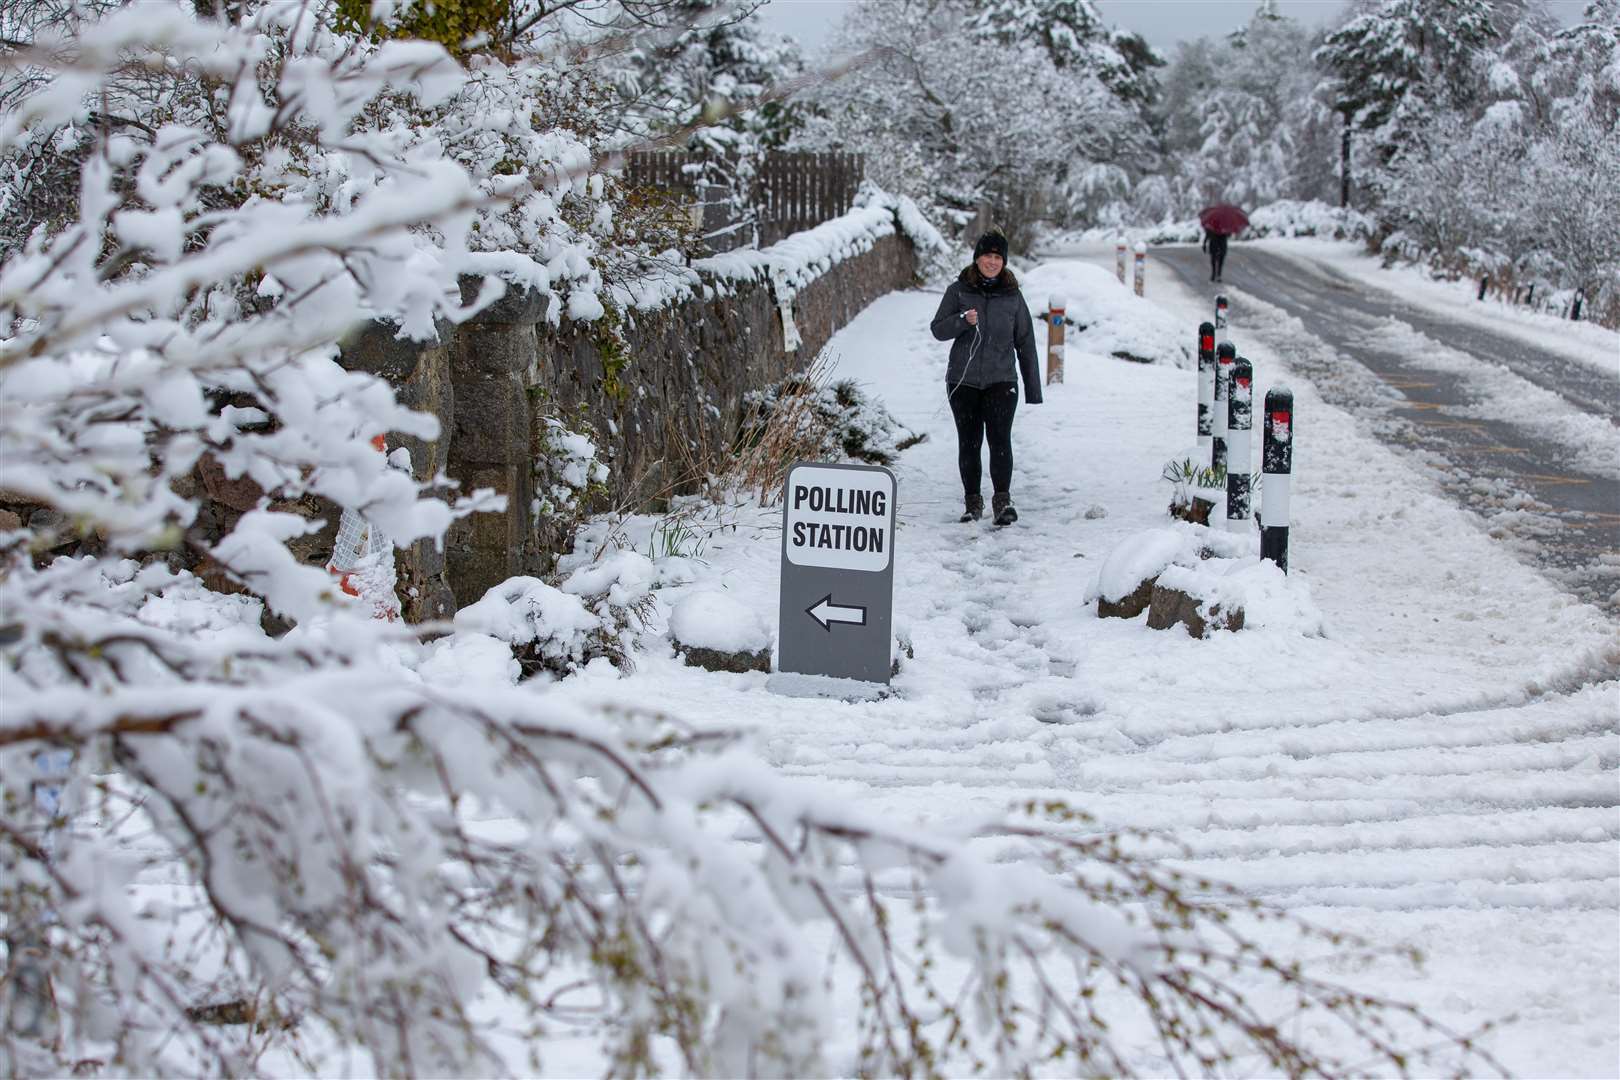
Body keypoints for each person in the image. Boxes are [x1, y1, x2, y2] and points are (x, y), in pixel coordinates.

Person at [929, 227, 1041, 527]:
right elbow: (938, 329)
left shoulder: (1013, 296)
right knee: (969, 442)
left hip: (1002, 381)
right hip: (962, 381)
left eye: (997, 257)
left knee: (1000, 440)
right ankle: (972, 502)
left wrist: (1033, 388)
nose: (992, 262)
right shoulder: (958, 291)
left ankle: (1002, 501)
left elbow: (1026, 342)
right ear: (977, 258)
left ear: (1003, 261)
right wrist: (962, 321)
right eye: (987, 256)